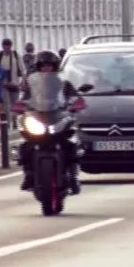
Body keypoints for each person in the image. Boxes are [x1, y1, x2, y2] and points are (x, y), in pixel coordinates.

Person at [16, 50, 82, 194]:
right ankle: (28, 175)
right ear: (38, 67)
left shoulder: (63, 82)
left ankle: (73, 178)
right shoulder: (33, 84)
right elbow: (24, 98)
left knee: (71, 144)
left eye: (49, 66)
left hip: (57, 116)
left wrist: (76, 103)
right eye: (43, 66)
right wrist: (20, 105)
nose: (46, 68)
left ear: (55, 67)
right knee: (25, 145)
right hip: (39, 117)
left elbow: (74, 97)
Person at [0, 38, 24, 129]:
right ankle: (8, 123)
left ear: (10, 46)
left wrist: (23, 81)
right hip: (4, 84)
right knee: (6, 104)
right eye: (5, 46)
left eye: (8, 46)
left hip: (14, 83)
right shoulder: (0, 56)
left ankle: (14, 120)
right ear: (3, 46)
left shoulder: (16, 56)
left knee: (14, 105)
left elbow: (22, 69)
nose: (6, 49)